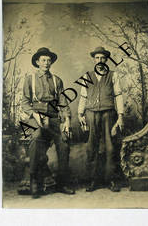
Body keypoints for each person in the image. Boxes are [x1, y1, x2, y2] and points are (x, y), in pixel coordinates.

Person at [21, 47, 75, 198]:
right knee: (35, 137)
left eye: (49, 60)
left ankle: (62, 182)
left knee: (64, 141)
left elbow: (63, 103)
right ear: (37, 62)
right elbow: (24, 102)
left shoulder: (57, 80)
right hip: (34, 117)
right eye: (43, 60)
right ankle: (33, 180)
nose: (46, 63)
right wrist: (33, 114)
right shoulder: (29, 79)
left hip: (53, 117)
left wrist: (67, 120)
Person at [78, 46, 124, 192]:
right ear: (94, 59)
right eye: (97, 58)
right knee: (92, 147)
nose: (100, 60)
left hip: (109, 114)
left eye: (102, 58)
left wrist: (120, 116)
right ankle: (93, 180)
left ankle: (111, 179)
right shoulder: (87, 76)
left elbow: (118, 96)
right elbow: (83, 97)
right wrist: (80, 114)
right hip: (91, 114)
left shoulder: (113, 75)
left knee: (110, 147)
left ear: (106, 60)